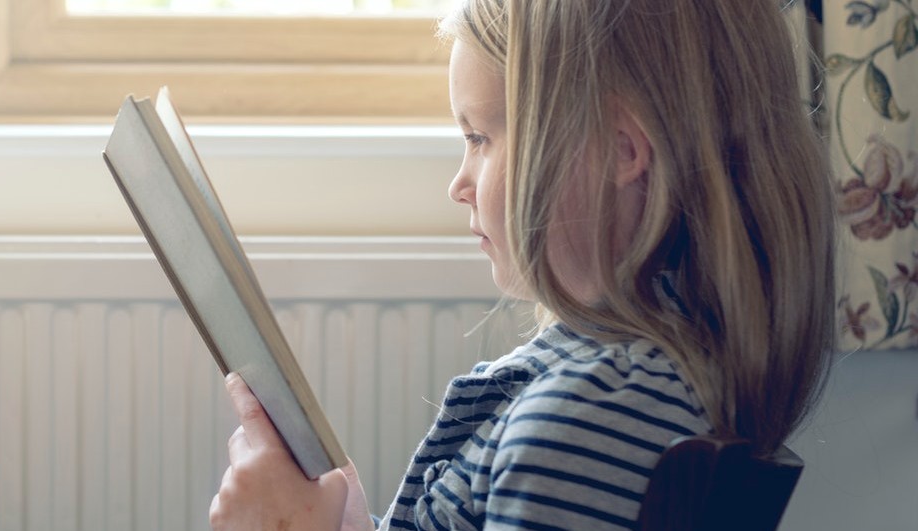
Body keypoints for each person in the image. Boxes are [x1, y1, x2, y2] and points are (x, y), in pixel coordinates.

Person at [209, 0, 836, 529]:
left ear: (621, 148)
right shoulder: (628, 390)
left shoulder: (584, 423)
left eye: (480, 138)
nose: (459, 183)